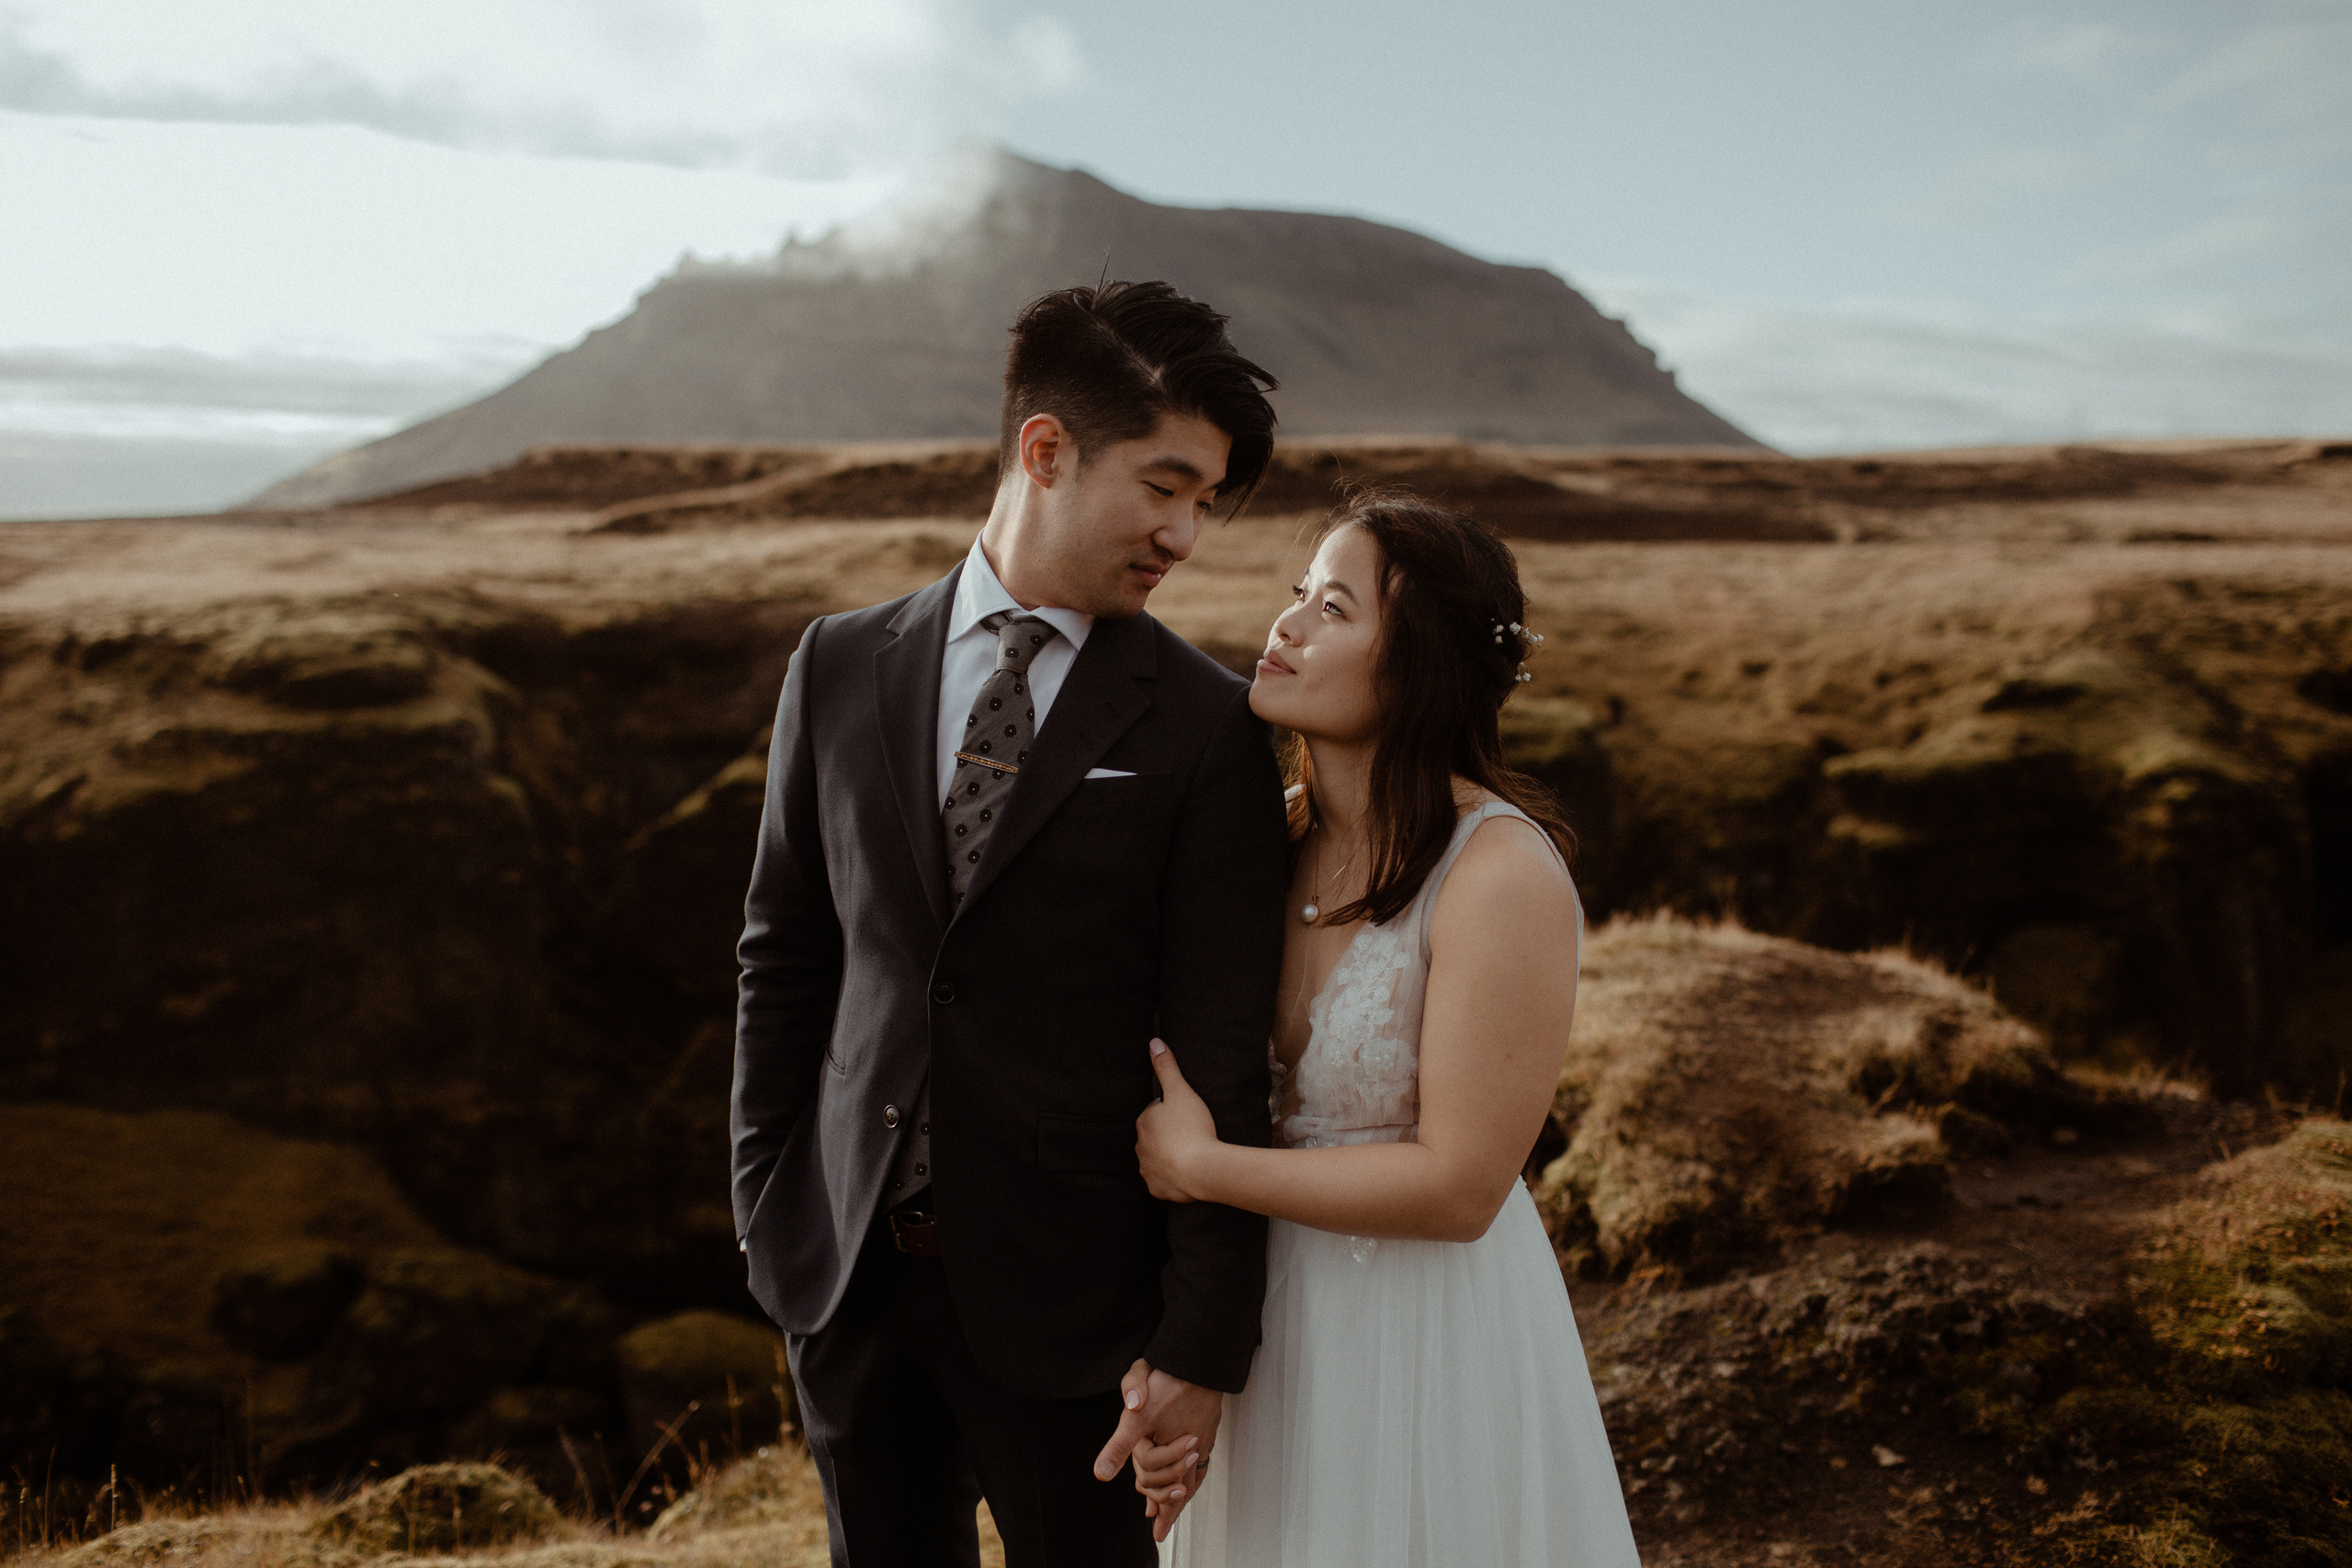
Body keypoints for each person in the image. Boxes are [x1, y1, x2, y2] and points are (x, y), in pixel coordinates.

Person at [729, 280, 1290, 1567]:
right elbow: (788, 953)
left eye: (1205, 501)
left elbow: (1220, 1047)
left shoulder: (1205, 728)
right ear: (1047, 449)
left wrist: (1202, 1340)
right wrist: (771, 1210)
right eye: (1165, 486)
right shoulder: (838, 662)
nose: (1185, 535)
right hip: (849, 1280)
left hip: (1082, 1312)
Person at [1134, 490, 1644, 1566]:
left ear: (1417, 666)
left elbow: (1461, 1187)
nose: (1286, 626)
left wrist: (1207, 1168)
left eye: (1334, 606)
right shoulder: (1265, 843)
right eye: (1296, 596)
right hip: (1261, 1328)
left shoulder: (1499, 872)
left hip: (1421, 1333)